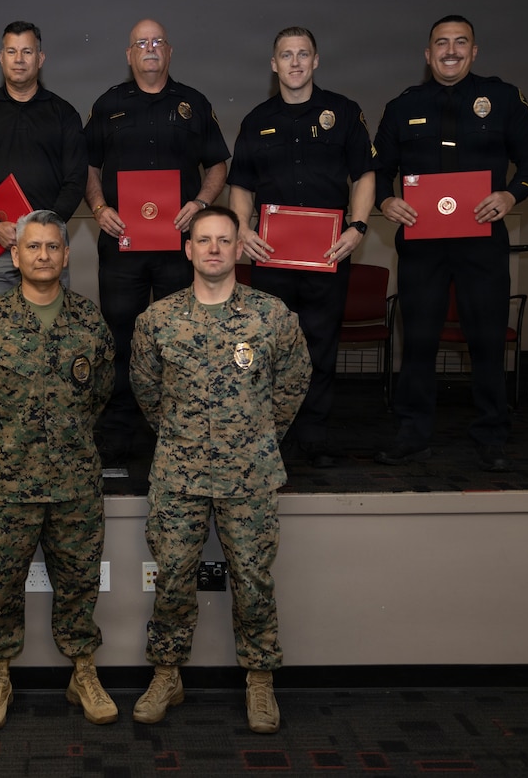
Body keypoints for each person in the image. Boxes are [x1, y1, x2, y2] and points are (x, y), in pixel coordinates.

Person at [129, 206, 310, 733]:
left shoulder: (271, 316)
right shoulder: (157, 319)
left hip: (249, 474)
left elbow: (293, 382)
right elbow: (146, 390)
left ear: (239, 248)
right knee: (172, 578)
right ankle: (167, 674)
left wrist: (257, 436)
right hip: (178, 474)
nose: (213, 249)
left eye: (224, 240)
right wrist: (181, 436)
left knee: (252, 580)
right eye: (203, 240)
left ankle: (260, 679)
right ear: (188, 249)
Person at [0, 210, 117, 730]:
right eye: (33, 247)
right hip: (5, 482)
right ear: (14, 256)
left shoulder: (89, 322)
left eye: (52, 247)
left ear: (67, 255)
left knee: (80, 582)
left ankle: (83, 671)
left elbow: (101, 390)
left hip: (74, 481)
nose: (43, 255)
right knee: (2, 584)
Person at [373, 15, 528, 472]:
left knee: (487, 340)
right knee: (419, 341)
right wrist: (386, 201)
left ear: (474, 51)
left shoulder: (503, 98)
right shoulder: (401, 106)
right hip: (422, 245)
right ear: (427, 54)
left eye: (460, 42)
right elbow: (378, 170)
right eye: (441, 43)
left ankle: (492, 435)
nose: (451, 51)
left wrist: (511, 195)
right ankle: (413, 435)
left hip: (482, 242)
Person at [85, 18, 230, 465]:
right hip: (121, 245)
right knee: (121, 339)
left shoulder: (194, 103)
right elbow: (88, 167)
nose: (149, 48)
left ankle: (178, 429)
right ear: (129, 55)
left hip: (177, 247)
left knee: (180, 339)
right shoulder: (107, 104)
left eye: (157, 42)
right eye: (140, 43)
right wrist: (99, 208)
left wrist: (201, 203)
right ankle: (119, 429)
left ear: (169, 51)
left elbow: (218, 164)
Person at [228, 26, 375, 468]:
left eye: (303, 54)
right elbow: (241, 185)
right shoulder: (256, 119)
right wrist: (242, 228)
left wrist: (358, 227)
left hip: (328, 253)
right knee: (268, 345)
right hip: (270, 255)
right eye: (287, 55)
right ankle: (270, 434)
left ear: (316, 61)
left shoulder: (344, 112)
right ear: (274, 65)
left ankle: (313, 434)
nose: (295, 62)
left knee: (321, 343)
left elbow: (364, 175)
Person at [0, 21, 87, 303]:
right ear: (1, 57)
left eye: (27, 52)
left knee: (52, 322)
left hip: (48, 243)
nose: (19, 59)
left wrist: (45, 229)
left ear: (40, 58)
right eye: (11, 51)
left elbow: (76, 179)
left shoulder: (64, 114)